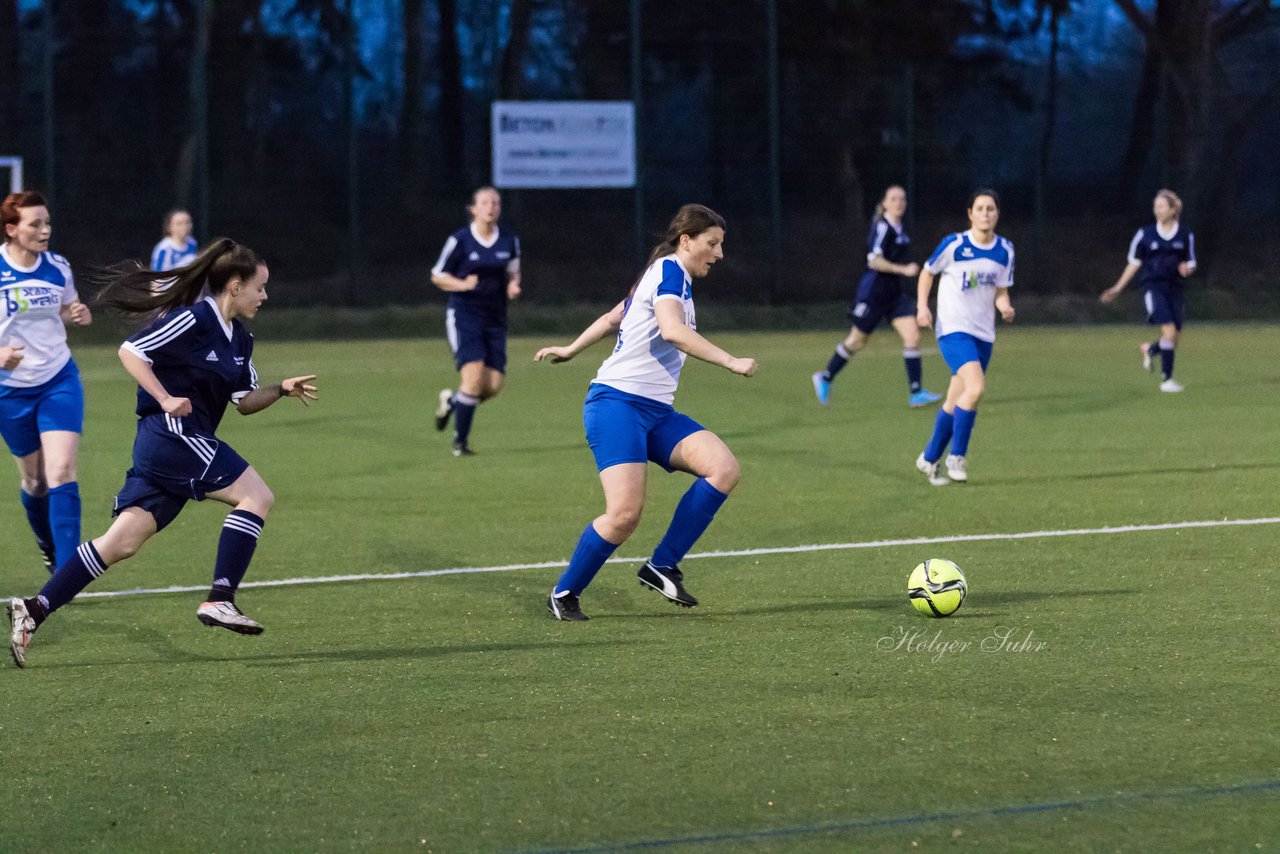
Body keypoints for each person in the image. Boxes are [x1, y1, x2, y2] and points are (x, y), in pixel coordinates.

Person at [7, 238, 318, 668]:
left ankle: (34, 608)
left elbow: (243, 401)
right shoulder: (192, 319)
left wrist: (280, 390)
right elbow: (132, 352)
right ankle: (220, 598)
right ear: (233, 286)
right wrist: (165, 397)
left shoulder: (240, 340)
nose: (264, 296)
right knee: (257, 496)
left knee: (121, 542)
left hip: (175, 446)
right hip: (170, 435)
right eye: (259, 287)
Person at [533, 204, 758, 621]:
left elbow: (613, 316)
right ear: (687, 240)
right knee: (623, 515)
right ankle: (564, 594)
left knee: (723, 468)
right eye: (713, 243)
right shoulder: (670, 271)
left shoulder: (668, 276)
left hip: (655, 411)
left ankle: (662, 565)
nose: (720, 253)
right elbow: (673, 332)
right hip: (616, 405)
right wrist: (731, 361)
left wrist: (570, 348)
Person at [0, 191, 92, 575]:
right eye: (35, 224)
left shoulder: (58, 266)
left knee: (61, 471)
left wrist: (76, 313)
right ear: (11, 229)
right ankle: (47, 544)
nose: (45, 230)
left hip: (59, 379)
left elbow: (64, 309)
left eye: (47, 222)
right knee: (35, 482)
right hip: (10, 390)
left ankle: (68, 572)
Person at [913, 189, 1015, 486]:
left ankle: (929, 459)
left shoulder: (1005, 250)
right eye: (980, 208)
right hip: (953, 329)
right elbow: (927, 272)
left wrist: (1004, 306)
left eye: (991, 209)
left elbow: (1000, 290)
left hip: (983, 334)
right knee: (976, 387)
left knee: (954, 399)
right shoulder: (955, 245)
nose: (986, 213)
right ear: (970, 213)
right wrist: (922, 307)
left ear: (997, 214)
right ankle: (957, 456)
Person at [812, 185, 942, 408]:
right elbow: (874, 260)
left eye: (902, 198)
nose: (899, 202)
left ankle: (916, 392)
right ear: (884, 203)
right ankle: (824, 377)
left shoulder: (900, 227)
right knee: (857, 340)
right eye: (894, 198)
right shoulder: (882, 227)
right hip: (873, 293)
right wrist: (903, 269)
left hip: (894, 294)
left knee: (912, 336)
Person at [430, 186, 521, 456]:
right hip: (464, 315)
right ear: (473, 209)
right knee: (472, 379)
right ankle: (460, 443)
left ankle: (452, 403)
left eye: (495, 202)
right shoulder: (460, 240)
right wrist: (462, 283)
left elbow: (513, 272)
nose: (491, 207)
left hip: (495, 317)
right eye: (485, 202)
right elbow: (437, 275)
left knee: (492, 386)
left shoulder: (509, 239)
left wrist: (513, 286)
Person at [1099, 189, 1196, 393]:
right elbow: (1134, 263)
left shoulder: (1185, 234)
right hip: (1153, 287)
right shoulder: (1145, 234)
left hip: (1176, 288)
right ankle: (1166, 381)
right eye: (1155, 206)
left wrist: (1187, 268)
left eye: (1161, 206)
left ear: (1172, 210)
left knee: (1174, 337)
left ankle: (1150, 350)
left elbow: (1191, 261)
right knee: (1168, 332)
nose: (1156, 210)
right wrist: (1118, 287)